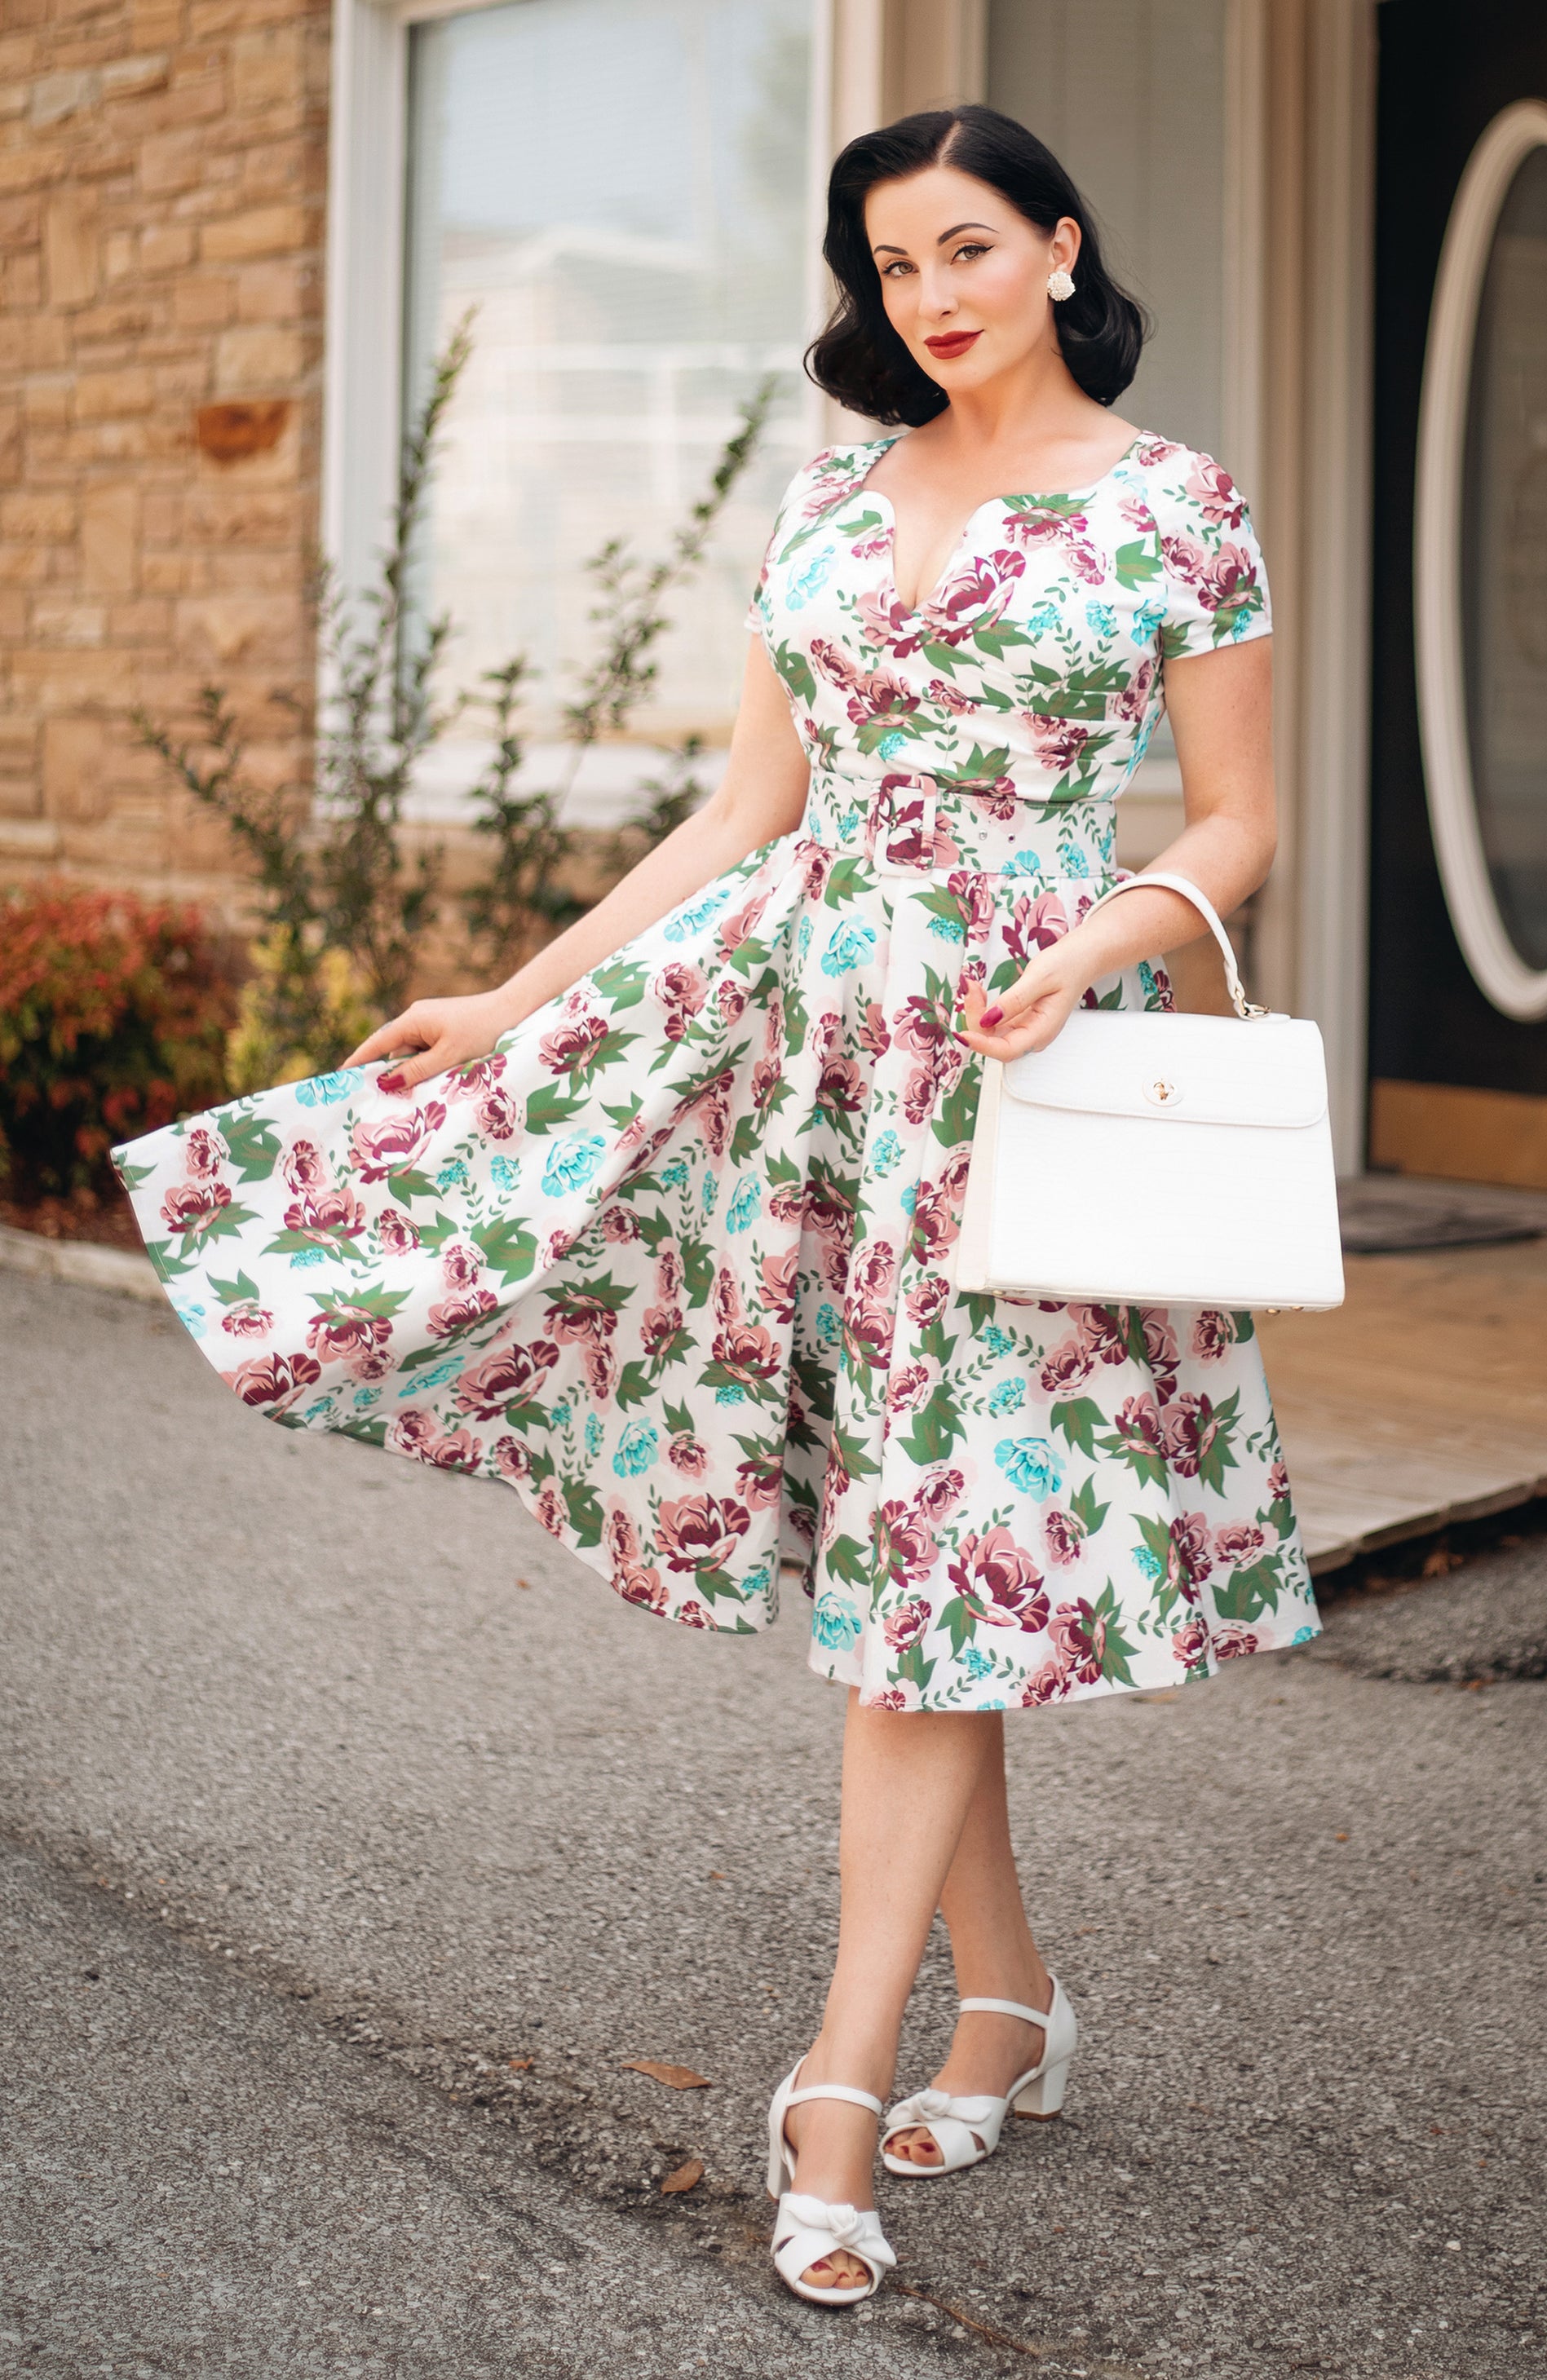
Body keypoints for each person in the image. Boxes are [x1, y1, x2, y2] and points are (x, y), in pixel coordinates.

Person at [115, 104, 1319, 2309]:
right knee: (909, 1557)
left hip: (1019, 1070)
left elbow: (1241, 817)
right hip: (805, 1060)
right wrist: (516, 993)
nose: (930, 296)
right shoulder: (829, 507)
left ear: (1059, 247)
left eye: (967, 248)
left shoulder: (1175, 508)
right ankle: (1009, 2006)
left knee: (925, 1569)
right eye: (892, 266)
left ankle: (835, 2084)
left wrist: (1096, 931)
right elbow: (742, 812)